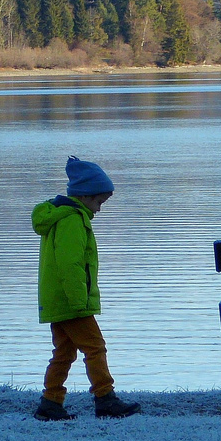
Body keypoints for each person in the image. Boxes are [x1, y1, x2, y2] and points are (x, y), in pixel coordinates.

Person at [31, 156, 140, 421]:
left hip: (59, 300)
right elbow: (70, 264)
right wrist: (79, 300)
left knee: (64, 352)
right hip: (71, 301)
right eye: (99, 202)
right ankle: (105, 398)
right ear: (85, 195)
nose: (100, 210)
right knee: (95, 347)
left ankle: (51, 402)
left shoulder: (62, 217)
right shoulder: (72, 220)